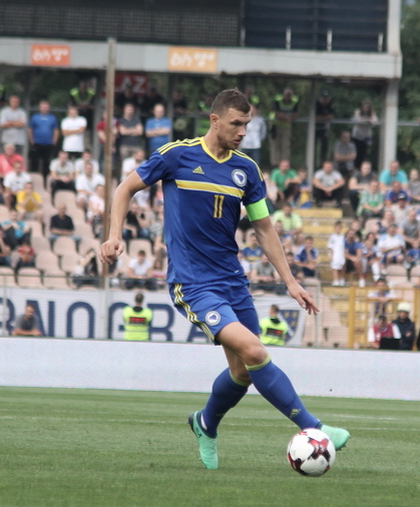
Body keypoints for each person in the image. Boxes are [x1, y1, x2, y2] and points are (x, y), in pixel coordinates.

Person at [99, 89, 349, 470]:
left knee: (242, 372)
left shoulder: (247, 170)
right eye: (236, 123)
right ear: (214, 120)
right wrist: (115, 235)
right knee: (255, 352)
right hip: (193, 283)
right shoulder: (177, 155)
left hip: (233, 280)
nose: (242, 131)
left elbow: (264, 228)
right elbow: (124, 188)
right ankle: (316, 428)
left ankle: (205, 424)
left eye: (246, 125)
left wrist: (291, 281)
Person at [28, 100, 60, 176]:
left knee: (47, 163)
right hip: (37, 143)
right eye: (43, 107)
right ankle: (34, 178)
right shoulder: (35, 117)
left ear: (49, 108)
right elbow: (30, 129)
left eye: (46, 107)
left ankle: (45, 179)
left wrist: (54, 141)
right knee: (34, 162)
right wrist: (31, 140)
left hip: (49, 143)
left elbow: (56, 130)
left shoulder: (53, 118)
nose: (44, 108)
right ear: (40, 108)